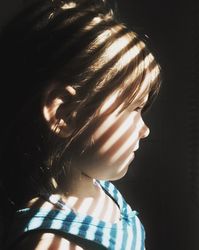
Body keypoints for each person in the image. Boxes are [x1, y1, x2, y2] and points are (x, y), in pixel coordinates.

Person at [0, 0, 162, 249]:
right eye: (135, 108)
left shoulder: (95, 183)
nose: (145, 129)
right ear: (64, 114)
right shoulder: (52, 242)